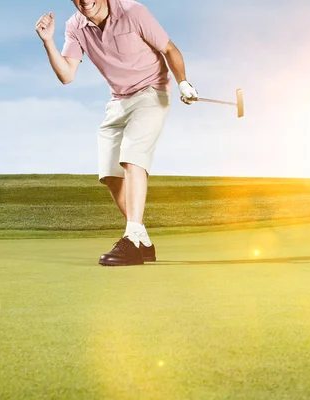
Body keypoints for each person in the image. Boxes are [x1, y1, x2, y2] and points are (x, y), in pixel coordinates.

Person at [35, 0, 198, 266]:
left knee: (132, 159)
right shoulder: (75, 26)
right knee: (111, 175)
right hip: (118, 100)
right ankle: (143, 240)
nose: (85, 1)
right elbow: (67, 75)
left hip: (152, 92)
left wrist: (183, 83)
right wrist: (48, 42)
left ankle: (131, 239)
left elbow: (168, 48)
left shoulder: (133, 11)